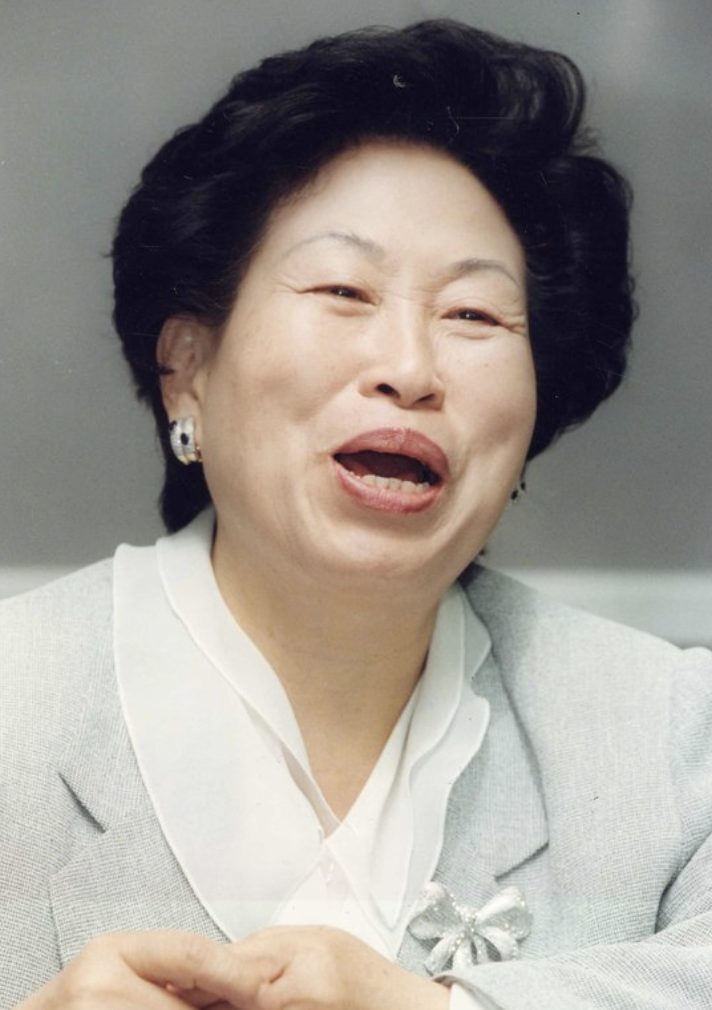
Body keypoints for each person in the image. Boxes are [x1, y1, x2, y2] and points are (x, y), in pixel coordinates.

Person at [1, 17, 711, 1010]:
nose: (410, 369)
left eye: (473, 315)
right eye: (344, 289)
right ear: (186, 369)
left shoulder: (672, 735)